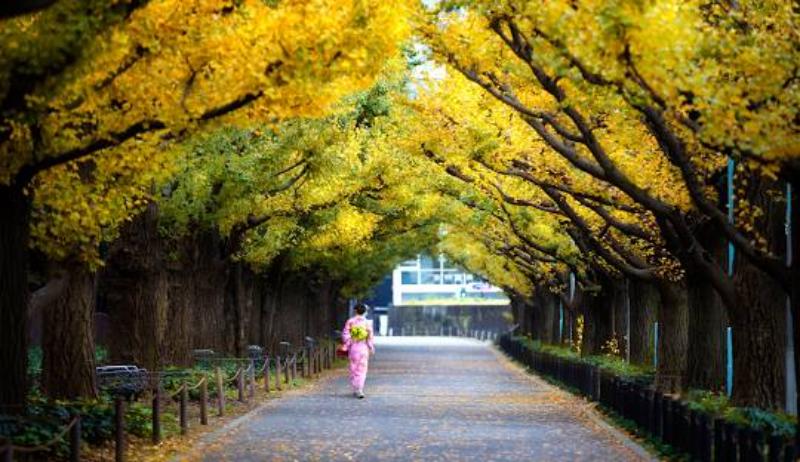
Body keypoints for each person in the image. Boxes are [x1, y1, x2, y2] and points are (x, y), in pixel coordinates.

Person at [341, 303, 375, 399]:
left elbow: (345, 334)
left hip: (354, 348)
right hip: (363, 348)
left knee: (353, 368)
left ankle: (356, 387)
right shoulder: (367, 323)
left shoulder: (350, 321)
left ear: (355, 311)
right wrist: (371, 347)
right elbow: (370, 336)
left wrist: (348, 343)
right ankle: (359, 388)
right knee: (362, 369)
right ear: (365, 312)